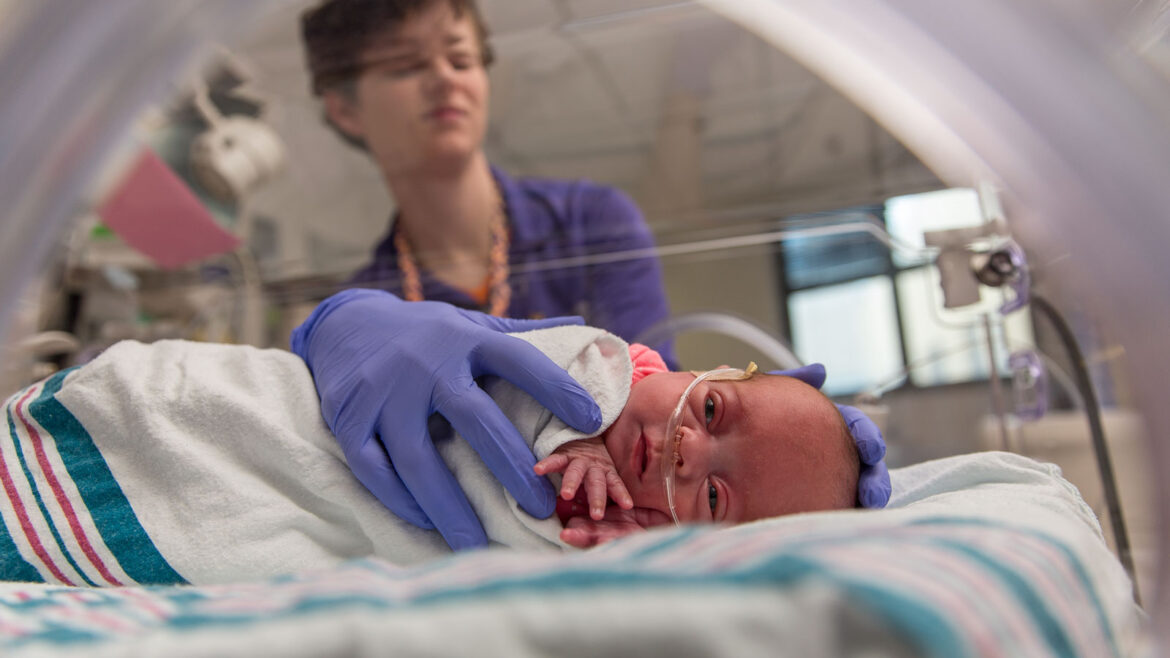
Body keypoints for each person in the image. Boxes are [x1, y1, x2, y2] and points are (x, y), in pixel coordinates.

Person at [0, 315, 870, 586]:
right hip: (247, 422)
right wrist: (575, 437)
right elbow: (545, 370)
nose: (686, 449)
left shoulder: (630, 540)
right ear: (696, 370)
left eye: (717, 496)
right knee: (177, 423)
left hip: (319, 524)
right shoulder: (598, 363)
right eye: (713, 409)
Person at [295, 0, 683, 548]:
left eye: (460, 58)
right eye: (406, 66)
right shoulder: (369, 308)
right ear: (344, 108)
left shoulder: (590, 222)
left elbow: (663, 395)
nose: (443, 81)